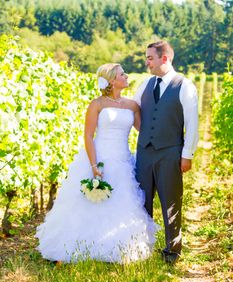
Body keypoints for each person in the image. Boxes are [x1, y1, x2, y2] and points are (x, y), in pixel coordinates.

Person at [35, 63, 160, 264]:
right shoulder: (97, 104)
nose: (126, 76)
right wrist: (94, 166)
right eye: (122, 74)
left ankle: (119, 247)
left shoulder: (132, 105)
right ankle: (82, 247)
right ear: (112, 80)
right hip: (99, 158)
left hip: (123, 160)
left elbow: (143, 131)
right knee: (88, 204)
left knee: (123, 202)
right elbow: (88, 135)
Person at [134, 41, 198, 264]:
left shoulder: (185, 85)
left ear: (165, 58)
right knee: (141, 201)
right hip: (144, 152)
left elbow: (192, 124)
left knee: (171, 202)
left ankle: (172, 251)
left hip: (170, 153)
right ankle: (142, 247)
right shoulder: (144, 84)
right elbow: (134, 111)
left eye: (150, 58)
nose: (146, 62)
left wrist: (187, 154)